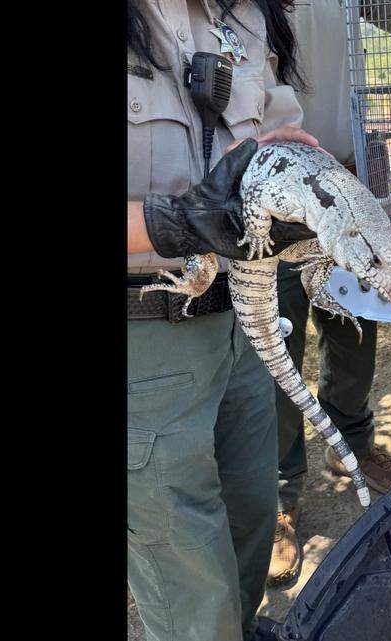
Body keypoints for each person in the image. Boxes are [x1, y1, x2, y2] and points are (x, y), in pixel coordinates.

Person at [125, 1, 324, 639]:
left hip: (242, 323)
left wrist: (298, 185)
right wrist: (168, 222)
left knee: (250, 523)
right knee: (188, 575)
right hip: (144, 338)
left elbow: (275, 138)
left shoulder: (244, 15)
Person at [267, 0, 391, 587]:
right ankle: (277, 490)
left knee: (353, 319)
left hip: (346, 171)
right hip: (273, 177)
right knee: (276, 341)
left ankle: (350, 437)